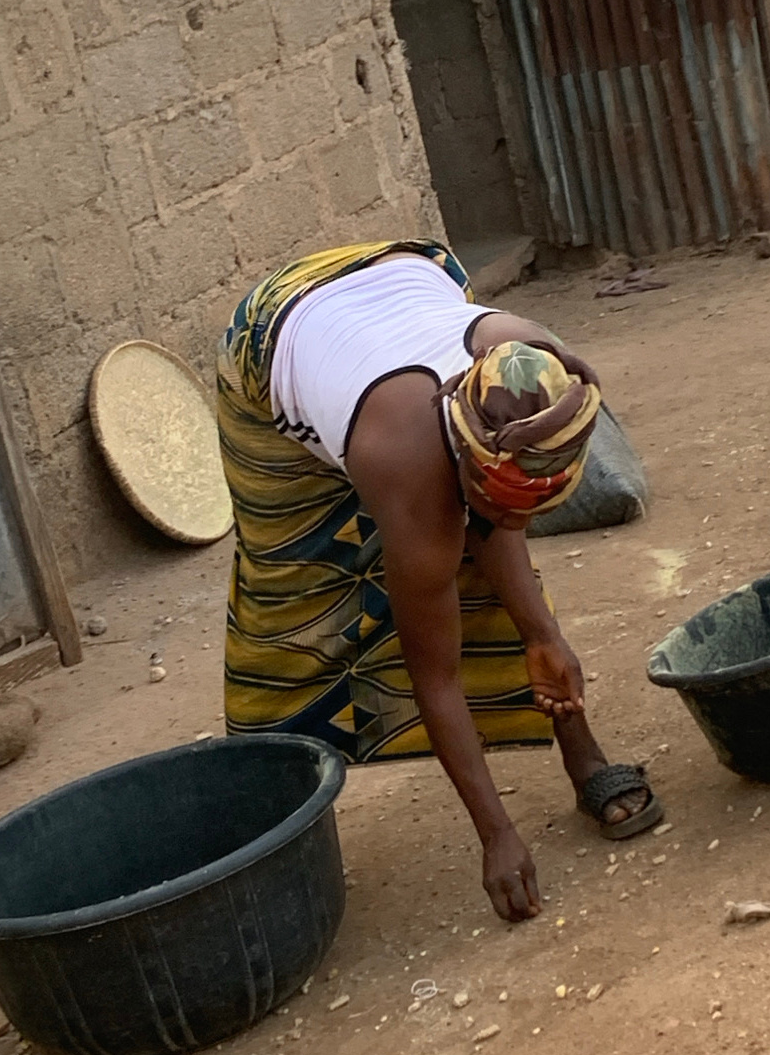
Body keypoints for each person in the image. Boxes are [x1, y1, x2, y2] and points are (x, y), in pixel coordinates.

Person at [216, 239, 661, 923]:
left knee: (487, 547)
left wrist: (543, 634)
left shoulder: (531, 354)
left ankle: (584, 756)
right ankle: (266, 814)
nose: (518, 521)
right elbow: (436, 675)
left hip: (405, 270)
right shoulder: (402, 453)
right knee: (301, 597)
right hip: (274, 330)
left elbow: (497, 518)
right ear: (462, 451)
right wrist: (497, 834)